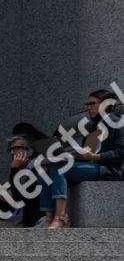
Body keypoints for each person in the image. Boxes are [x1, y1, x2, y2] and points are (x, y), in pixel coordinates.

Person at [35, 89, 124, 229]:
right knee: (45, 169)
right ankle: (49, 217)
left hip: (109, 169)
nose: (89, 108)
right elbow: (88, 152)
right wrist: (72, 153)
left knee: (58, 167)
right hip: (91, 165)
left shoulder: (118, 123)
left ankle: (60, 218)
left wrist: (96, 156)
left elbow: (121, 153)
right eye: (88, 104)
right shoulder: (93, 127)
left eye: (92, 104)